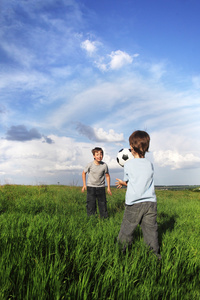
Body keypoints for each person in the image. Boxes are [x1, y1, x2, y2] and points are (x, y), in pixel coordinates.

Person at [116, 130, 161, 259]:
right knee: (151, 231)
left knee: (127, 230)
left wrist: (122, 183)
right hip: (150, 203)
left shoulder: (128, 165)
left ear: (131, 147)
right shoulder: (150, 164)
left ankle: (120, 254)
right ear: (147, 147)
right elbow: (142, 182)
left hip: (134, 203)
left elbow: (129, 182)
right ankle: (154, 257)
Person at [82, 147, 112, 218]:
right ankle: (91, 218)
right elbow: (84, 173)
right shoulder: (90, 165)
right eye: (97, 154)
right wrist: (84, 185)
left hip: (101, 187)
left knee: (103, 204)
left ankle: (104, 219)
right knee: (91, 204)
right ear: (94, 156)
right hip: (91, 187)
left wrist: (108, 187)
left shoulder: (104, 165)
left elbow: (107, 176)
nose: (99, 156)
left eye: (101, 154)